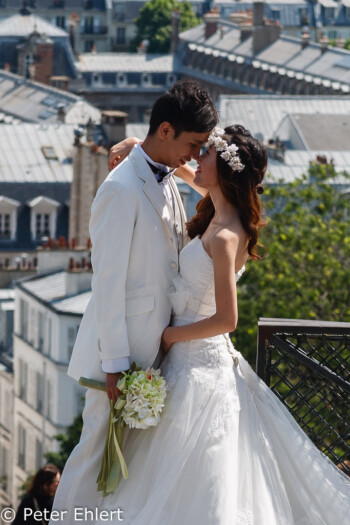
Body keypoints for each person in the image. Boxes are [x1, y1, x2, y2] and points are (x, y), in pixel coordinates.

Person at [94, 125, 350, 524]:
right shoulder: (219, 210)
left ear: (228, 170)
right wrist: (137, 148)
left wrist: (171, 334)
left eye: (207, 153)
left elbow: (227, 319)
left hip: (198, 366)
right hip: (185, 362)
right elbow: (186, 174)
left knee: (196, 479)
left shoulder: (228, 236)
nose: (196, 158)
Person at [49, 81, 218, 524]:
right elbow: (106, 283)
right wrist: (115, 363)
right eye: (192, 145)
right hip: (122, 354)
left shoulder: (167, 178)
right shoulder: (120, 188)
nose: (195, 157)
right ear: (166, 130)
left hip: (158, 350)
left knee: (127, 463)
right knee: (92, 453)